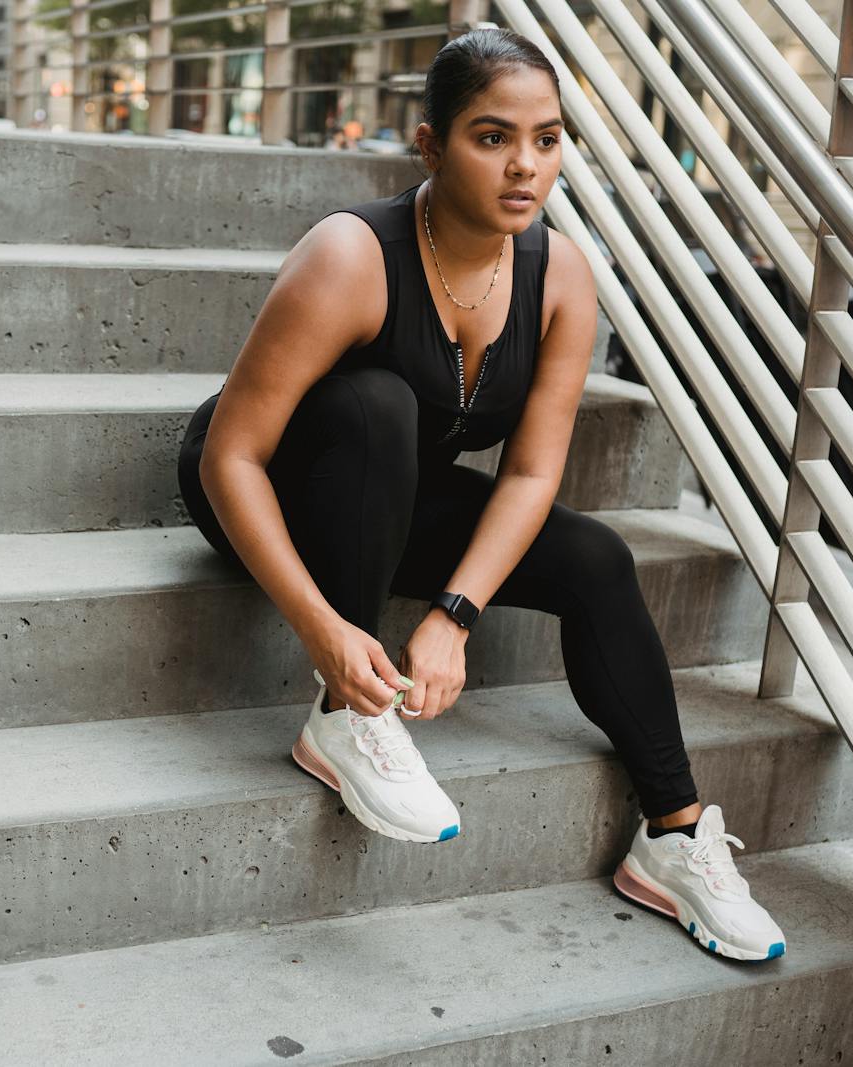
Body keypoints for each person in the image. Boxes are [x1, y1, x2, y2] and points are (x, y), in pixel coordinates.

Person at [175, 27, 786, 963]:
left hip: (400, 494)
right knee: (375, 403)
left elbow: (533, 474)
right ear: (431, 144)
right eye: (492, 137)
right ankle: (347, 714)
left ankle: (673, 833)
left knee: (597, 556)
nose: (525, 166)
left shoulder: (560, 273)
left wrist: (456, 613)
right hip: (273, 488)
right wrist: (329, 632)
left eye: (547, 139)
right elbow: (232, 457)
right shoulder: (353, 254)